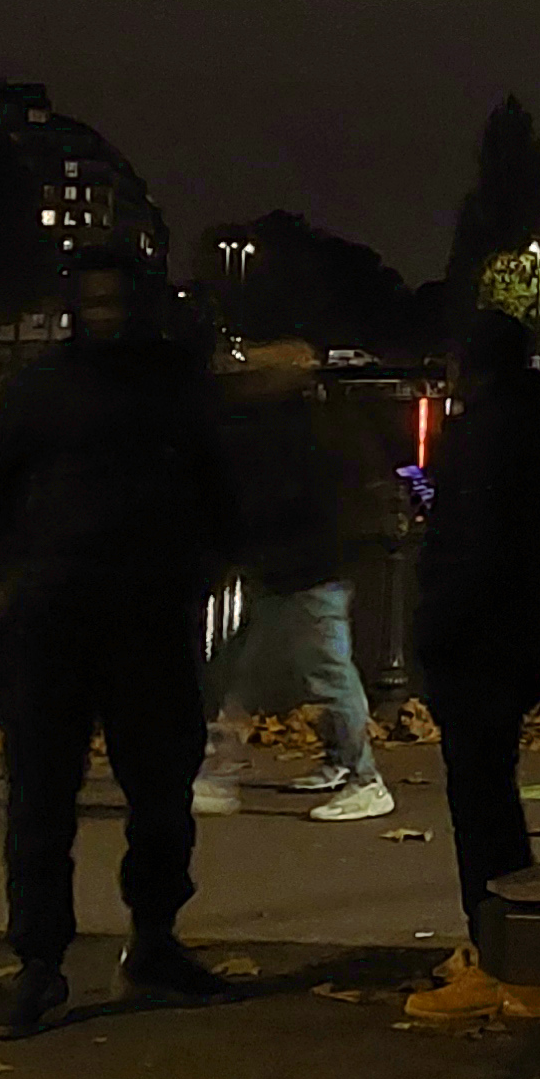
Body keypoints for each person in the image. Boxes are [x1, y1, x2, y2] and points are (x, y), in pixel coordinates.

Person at [0, 245, 241, 1035]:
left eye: (112, 303)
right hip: (87, 606)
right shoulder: (156, 386)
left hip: (113, 603)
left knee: (143, 791)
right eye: (95, 304)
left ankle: (115, 944)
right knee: (53, 795)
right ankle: (54, 956)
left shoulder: (56, 386)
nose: (104, 317)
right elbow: (218, 483)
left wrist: (0, 573)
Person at [402, 304, 540, 1021]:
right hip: (520, 630)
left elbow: (468, 548)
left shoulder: (484, 434)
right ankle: (501, 940)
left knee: (479, 799)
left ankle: (496, 953)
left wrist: (434, 632)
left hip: (479, 637)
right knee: (492, 789)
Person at [193, 336, 393, 823]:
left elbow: (270, 499)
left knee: (314, 673)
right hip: (305, 566)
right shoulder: (318, 420)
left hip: (303, 568)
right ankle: (339, 766)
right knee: (272, 672)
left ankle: (364, 778)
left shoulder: (282, 429)